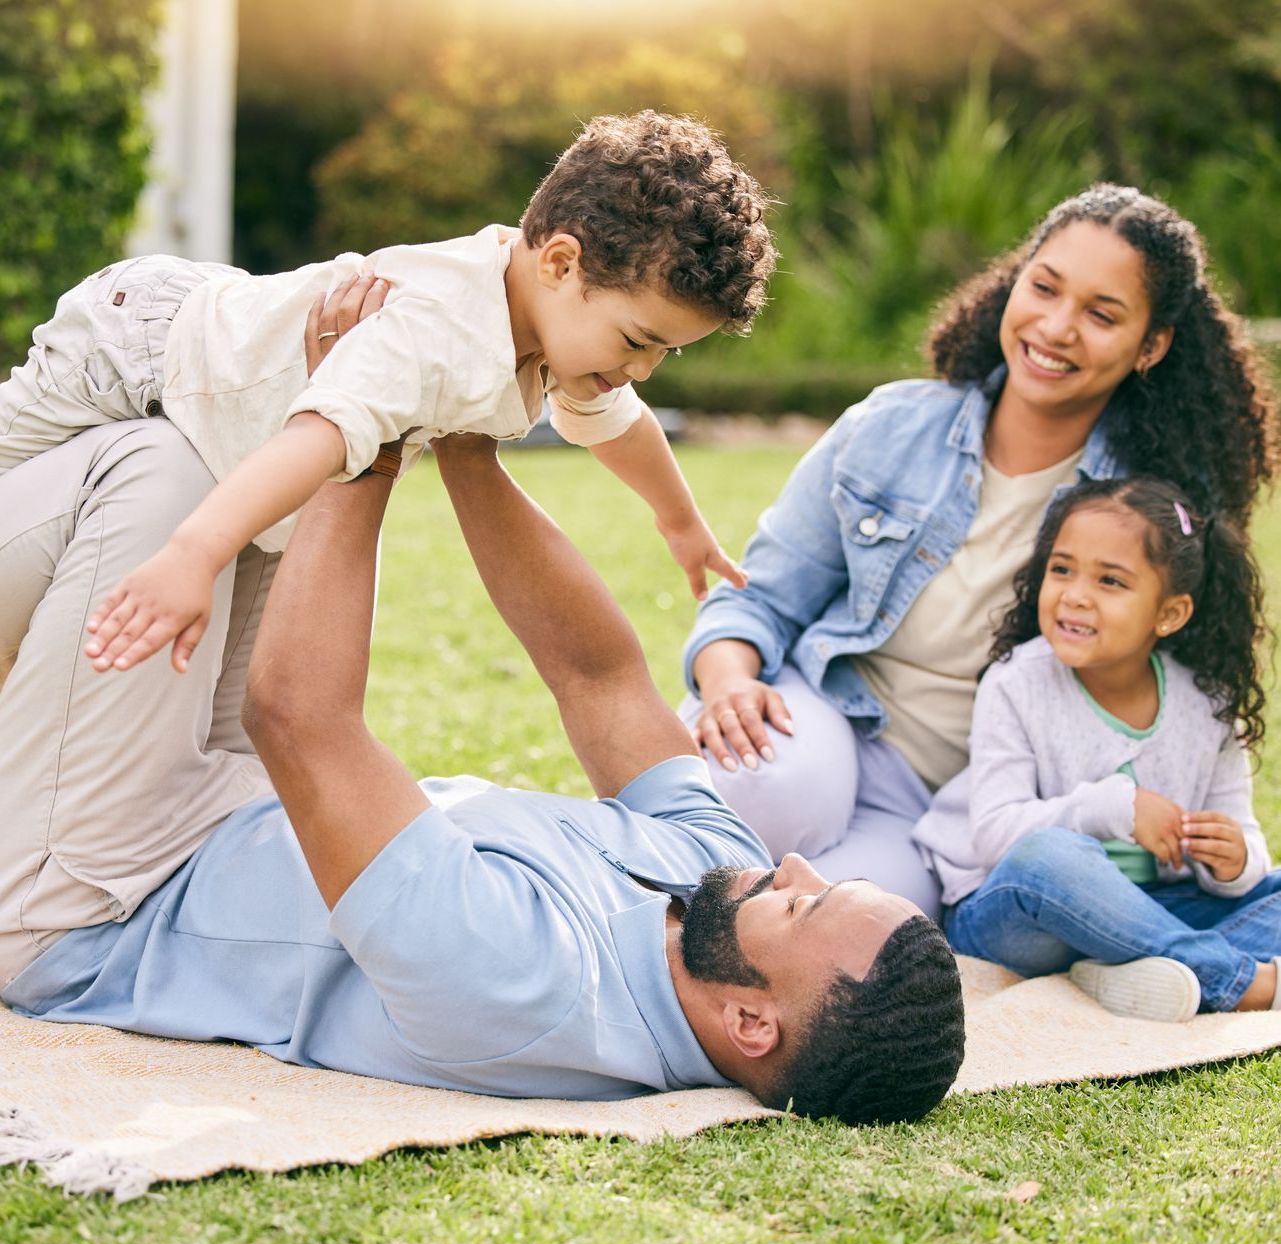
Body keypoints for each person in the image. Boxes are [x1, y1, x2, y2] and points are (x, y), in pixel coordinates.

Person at [0, 292, 965, 1126]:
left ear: (752, 1024)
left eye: (802, 901)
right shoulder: (712, 889)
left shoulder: (525, 988)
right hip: (225, 816)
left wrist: (362, 420)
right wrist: (466, 443)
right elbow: (599, 678)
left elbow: (301, 719)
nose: (788, 864)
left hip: (95, 898)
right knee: (229, 465)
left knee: (157, 468)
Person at [680, 184, 1278, 920]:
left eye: (1100, 314)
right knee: (766, 788)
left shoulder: (1146, 515)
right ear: (1012, 282)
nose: (1056, 327)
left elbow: (1167, 699)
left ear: (1150, 346)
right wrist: (728, 680)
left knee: (848, 925)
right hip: (825, 711)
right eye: (1044, 287)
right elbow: (756, 596)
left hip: (949, 812)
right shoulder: (891, 427)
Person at [0, 110, 771, 679]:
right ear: (561, 264)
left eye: (664, 353)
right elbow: (317, 436)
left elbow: (619, 426)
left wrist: (681, 523)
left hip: (212, 375)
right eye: (638, 342)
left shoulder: (560, 333)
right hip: (137, 345)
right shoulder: (438, 329)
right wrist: (192, 553)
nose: (641, 370)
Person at [915, 477, 1281, 1021]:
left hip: (1154, 906)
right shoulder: (1016, 682)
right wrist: (1116, 808)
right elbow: (995, 837)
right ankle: (1241, 981)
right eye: (1062, 569)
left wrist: (1234, 861)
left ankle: (1136, 968)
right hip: (1018, 913)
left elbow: (1242, 836)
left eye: (1110, 580)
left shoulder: (1209, 704)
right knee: (1052, 858)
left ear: (1170, 613)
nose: (1075, 593)